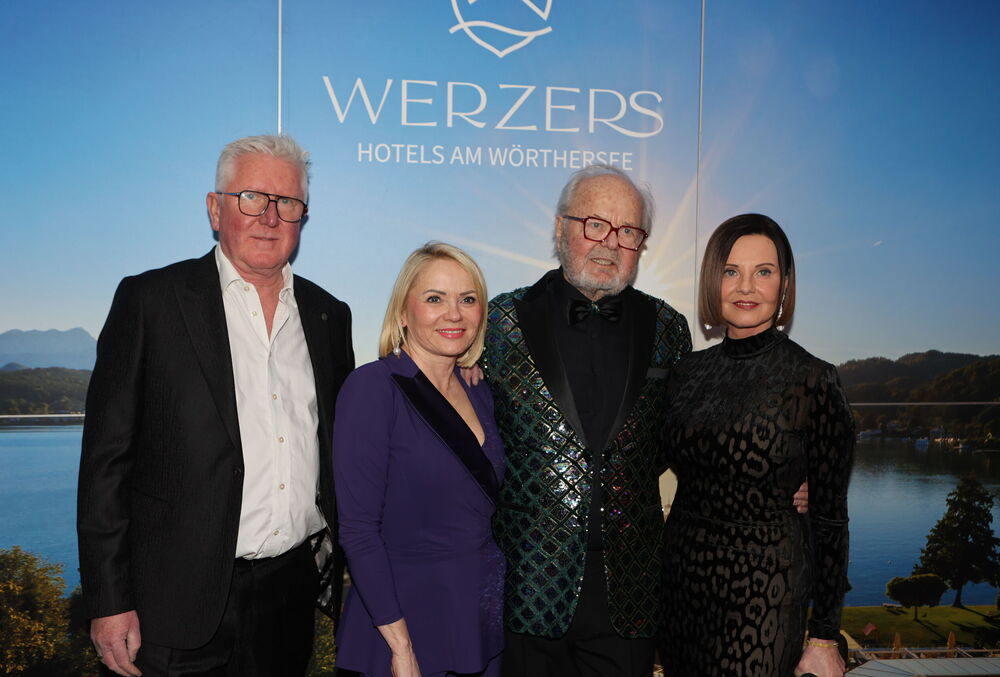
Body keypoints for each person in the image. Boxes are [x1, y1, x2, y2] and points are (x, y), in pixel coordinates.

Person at [77, 134, 354, 677]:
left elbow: (345, 441)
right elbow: (105, 465)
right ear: (214, 208)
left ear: (303, 216)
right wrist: (108, 600)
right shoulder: (150, 301)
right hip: (171, 604)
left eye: (287, 202)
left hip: (288, 599)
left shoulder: (329, 315)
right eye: (251, 197)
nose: (270, 216)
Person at [480, 165, 691, 677]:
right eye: (595, 224)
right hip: (527, 587)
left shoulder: (669, 328)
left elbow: (682, 437)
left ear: (641, 244)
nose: (610, 243)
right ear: (561, 228)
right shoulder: (499, 321)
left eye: (628, 231)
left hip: (630, 593)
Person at [659, 213, 853, 677]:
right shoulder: (687, 373)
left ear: (784, 284)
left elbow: (831, 522)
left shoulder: (814, 380)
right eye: (731, 271)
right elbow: (646, 458)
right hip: (680, 587)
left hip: (765, 594)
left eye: (763, 271)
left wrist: (824, 637)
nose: (746, 286)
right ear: (713, 281)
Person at [333, 243, 504, 677]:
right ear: (403, 312)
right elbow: (358, 530)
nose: (454, 314)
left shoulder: (479, 391)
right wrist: (401, 647)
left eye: (468, 299)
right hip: (403, 624)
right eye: (435, 298)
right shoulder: (372, 389)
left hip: (478, 622)